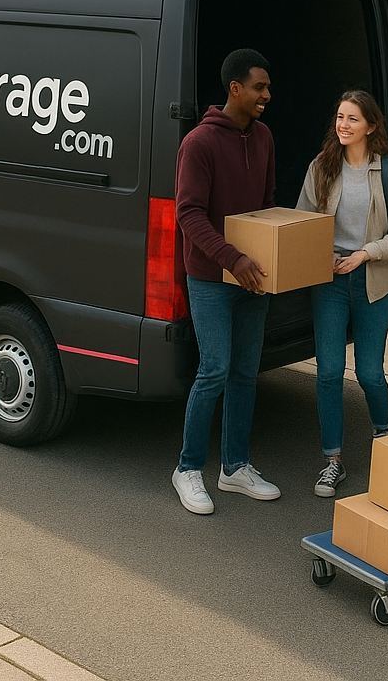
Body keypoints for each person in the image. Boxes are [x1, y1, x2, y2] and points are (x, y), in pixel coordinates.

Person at [171, 48, 282, 515]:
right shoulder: (199, 143)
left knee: (244, 373)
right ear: (234, 88)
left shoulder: (264, 138)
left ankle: (235, 467)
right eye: (259, 87)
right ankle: (188, 469)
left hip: (251, 276)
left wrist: (265, 257)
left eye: (268, 88)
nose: (267, 96)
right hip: (212, 278)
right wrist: (232, 259)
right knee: (213, 370)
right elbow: (188, 214)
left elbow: (267, 202)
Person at [297, 90, 388, 498]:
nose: (343, 125)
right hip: (329, 281)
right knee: (329, 372)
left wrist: (366, 253)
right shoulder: (321, 167)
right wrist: (322, 253)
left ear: (371, 125)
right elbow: (301, 222)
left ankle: (385, 439)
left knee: (370, 372)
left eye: (352, 118)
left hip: (374, 278)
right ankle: (332, 460)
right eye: (339, 117)